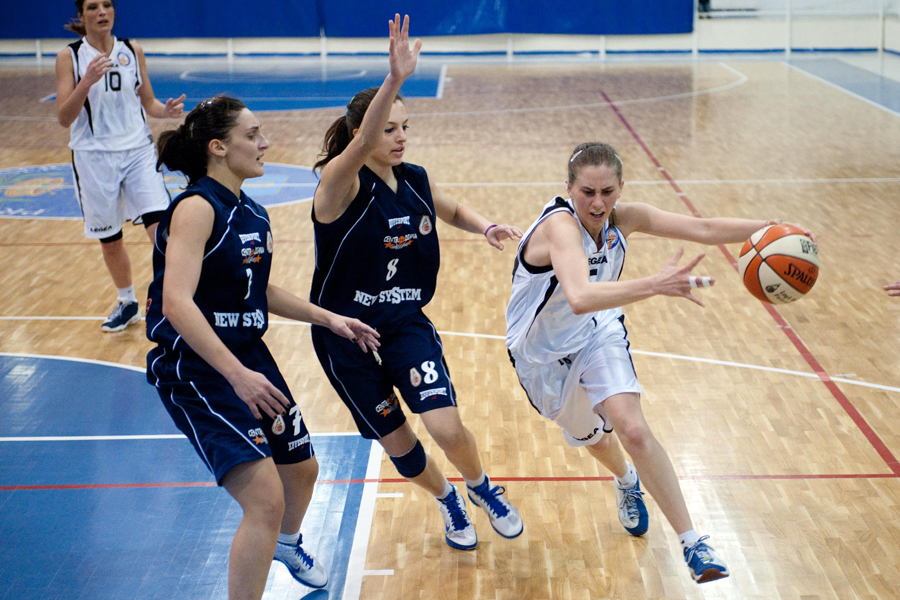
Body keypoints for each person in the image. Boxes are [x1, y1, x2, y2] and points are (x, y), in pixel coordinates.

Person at [505, 142, 814, 584]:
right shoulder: (560, 227)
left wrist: (778, 231)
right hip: (540, 356)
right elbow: (578, 296)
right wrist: (654, 283)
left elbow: (705, 228)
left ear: (620, 187)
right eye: (587, 191)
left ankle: (693, 543)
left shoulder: (626, 217)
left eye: (607, 191)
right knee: (595, 440)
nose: (598, 202)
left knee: (631, 428)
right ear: (568, 187)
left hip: (597, 333)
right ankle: (627, 479)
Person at [146, 95, 380, 600]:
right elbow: (176, 303)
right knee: (265, 500)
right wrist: (236, 374)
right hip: (199, 368)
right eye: (252, 135)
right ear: (217, 148)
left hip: (247, 356)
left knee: (303, 470)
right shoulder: (196, 208)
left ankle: (287, 545)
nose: (265, 143)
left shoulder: (251, 211)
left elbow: (258, 290)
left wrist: (329, 317)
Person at [310, 15, 525, 551]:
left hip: (404, 322)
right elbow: (360, 141)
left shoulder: (415, 179)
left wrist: (485, 226)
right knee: (402, 445)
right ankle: (446, 500)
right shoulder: (337, 186)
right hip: (345, 336)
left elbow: (444, 206)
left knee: (446, 427)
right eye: (390, 128)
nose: (400, 136)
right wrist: (394, 80)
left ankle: (481, 489)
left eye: (405, 126)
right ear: (365, 134)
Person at [56, 0, 186, 332]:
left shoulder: (132, 50)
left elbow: (149, 103)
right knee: (110, 239)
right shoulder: (69, 56)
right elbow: (63, 117)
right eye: (93, 7)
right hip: (93, 156)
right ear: (82, 15)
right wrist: (86, 81)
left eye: (107, 5)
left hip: (138, 150)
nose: (102, 12)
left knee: (161, 230)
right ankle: (127, 302)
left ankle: (179, 299)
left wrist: (166, 111)